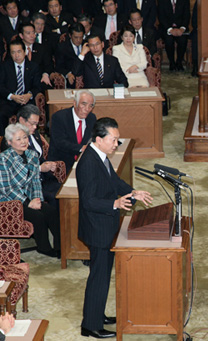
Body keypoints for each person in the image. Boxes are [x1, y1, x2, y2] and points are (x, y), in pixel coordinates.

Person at [77, 117, 152, 339]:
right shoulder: (88, 162)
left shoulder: (100, 156)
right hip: (97, 229)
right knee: (98, 277)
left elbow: (114, 182)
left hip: (106, 227)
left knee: (102, 276)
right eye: (114, 139)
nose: (116, 144)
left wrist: (133, 191)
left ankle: (97, 315)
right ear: (99, 139)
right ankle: (90, 326)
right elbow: (88, 201)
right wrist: (115, 203)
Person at [0, 123, 60, 258]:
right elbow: (6, 189)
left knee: (51, 211)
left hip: (29, 197)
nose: (23, 142)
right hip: (9, 202)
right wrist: (28, 203)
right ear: (9, 142)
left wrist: (38, 200)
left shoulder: (32, 155)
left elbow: (35, 181)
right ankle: (44, 247)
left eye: (25, 137)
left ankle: (60, 246)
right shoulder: (3, 159)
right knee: (37, 216)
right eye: (18, 139)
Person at [0, 105, 61, 208]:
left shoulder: (35, 133)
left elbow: (39, 157)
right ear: (22, 120)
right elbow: (17, 170)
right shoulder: (9, 141)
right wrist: (40, 168)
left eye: (36, 124)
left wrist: (47, 164)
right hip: (25, 186)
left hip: (41, 179)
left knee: (61, 191)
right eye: (32, 124)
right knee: (54, 198)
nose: (35, 127)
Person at [48, 90, 97, 171]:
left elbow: (93, 138)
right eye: (83, 104)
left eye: (91, 106)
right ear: (75, 103)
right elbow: (60, 143)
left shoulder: (91, 118)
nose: (87, 109)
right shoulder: (59, 117)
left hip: (84, 161)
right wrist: (81, 148)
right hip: (62, 163)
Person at [0, 39, 41, 136]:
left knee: (30, 115)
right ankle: (2, 141)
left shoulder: (33, 67)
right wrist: (12, 96)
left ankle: (31, 139)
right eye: (13, 52)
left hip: (26, 101)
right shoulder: (5, 67)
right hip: (10, 101)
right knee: (1, 114)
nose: (16, 55)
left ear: (25, 52)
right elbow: (1, 86)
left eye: (19, 52)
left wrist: (29, 95)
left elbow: (38, 86)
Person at [18, 23, 53, 89]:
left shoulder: (42, 48)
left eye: (33, 32)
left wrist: (45, 74)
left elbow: (49, 65)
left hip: (38, 79)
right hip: (20, 79)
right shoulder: (16, 49)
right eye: (28, 33)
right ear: (21, 35)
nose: (32, 36)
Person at [158, 0, 190, 71]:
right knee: (168, 40)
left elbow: (187, 15)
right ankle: (172, 63)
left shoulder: (185, 1)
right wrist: (170, 29)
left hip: (181, 28)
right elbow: (161, 17)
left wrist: (182, 29)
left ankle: (179, 62)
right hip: (166, 28)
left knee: (183, 40)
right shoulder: (161, 1)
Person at [55, 23, 85, 88]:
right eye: (76, 37)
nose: (78, 40)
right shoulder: (62, 47)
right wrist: (67, 74)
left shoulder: (86, 45)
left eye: (81, 37)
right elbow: (58, 66)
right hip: (71, 78)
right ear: (70, 35)